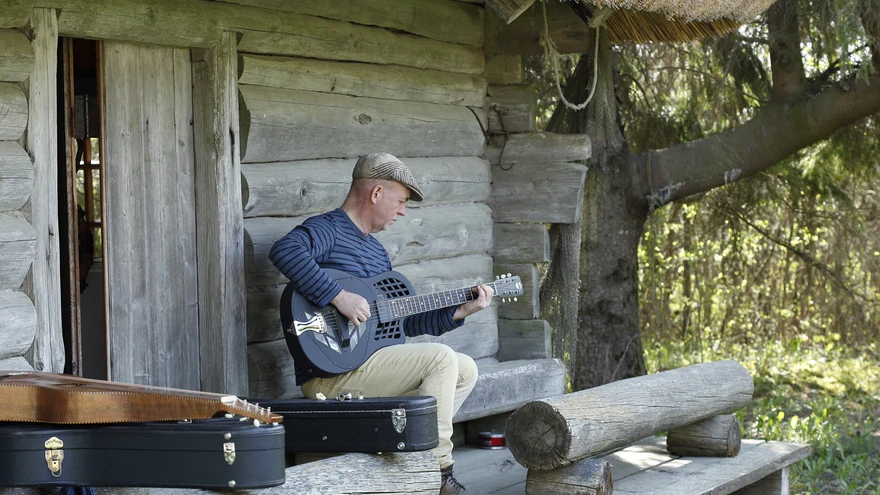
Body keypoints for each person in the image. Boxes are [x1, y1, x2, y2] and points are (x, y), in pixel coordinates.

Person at [269, 152, 493, 495]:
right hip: (328, 376)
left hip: (368, 367)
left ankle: (405, 447)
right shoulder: (328, 228)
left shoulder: (377, 254)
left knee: (464, 368)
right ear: (375, 194)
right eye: (401, 201)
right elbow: (286, 250)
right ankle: (439, 472)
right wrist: (338, 297)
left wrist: (460, 311)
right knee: (442, 358)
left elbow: (400, 324)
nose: (403, 211)